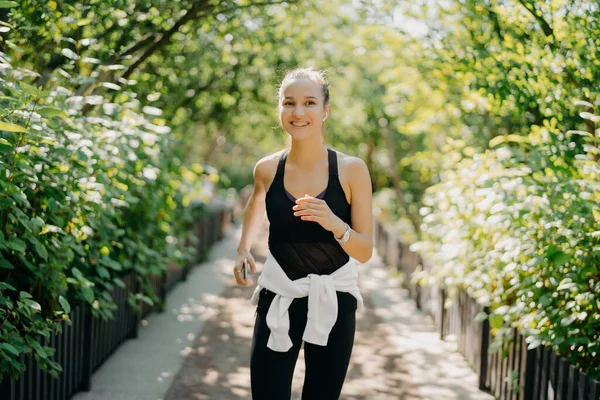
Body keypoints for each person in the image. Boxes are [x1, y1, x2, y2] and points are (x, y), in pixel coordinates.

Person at [232, 67, 374, 400]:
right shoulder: (267, 168)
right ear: (279, 108)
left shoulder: (352, 170)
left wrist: (334, 223)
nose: (298, 112)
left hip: (335, 301)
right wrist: (242, 249)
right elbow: (255, 204)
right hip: (278, 297)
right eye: (289, 103)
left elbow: (365, 251)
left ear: (326, 111)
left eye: (309, 102)